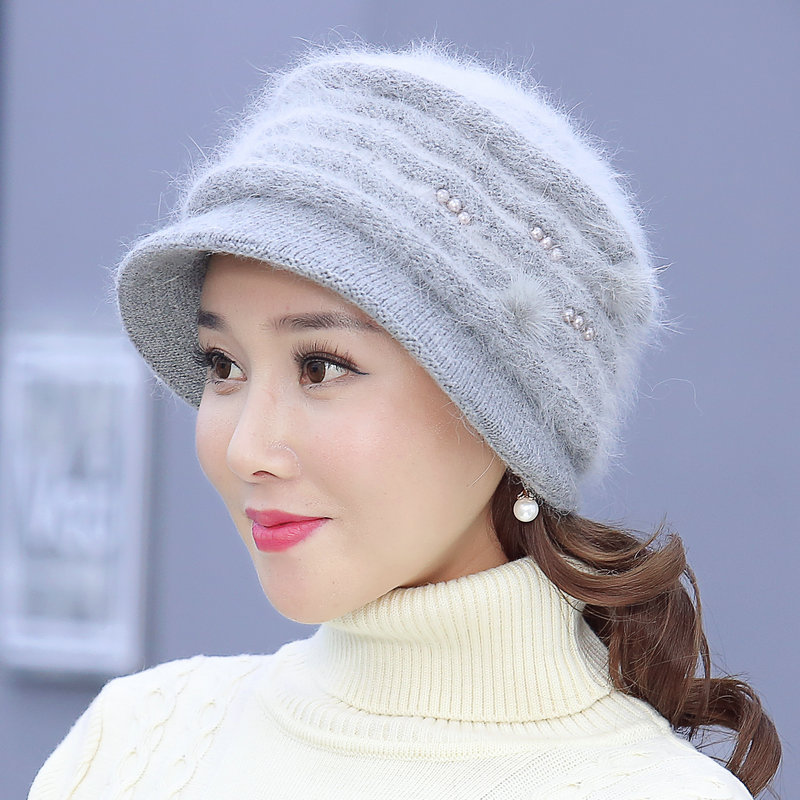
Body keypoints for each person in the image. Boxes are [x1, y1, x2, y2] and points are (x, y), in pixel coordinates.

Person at [29, 41, 780, 799]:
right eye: (223, 365)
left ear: (506, 419)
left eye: (320, 367)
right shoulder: (134, 745)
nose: (246, 448)